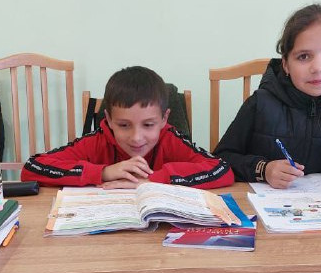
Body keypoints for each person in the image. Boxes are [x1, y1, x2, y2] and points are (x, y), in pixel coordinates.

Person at [213, 3, 321, 188]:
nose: (318, 68)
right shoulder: (260, 103)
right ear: (286, 64)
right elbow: (220, 159)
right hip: (269, 204)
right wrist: (263, 169)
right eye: (304, 56)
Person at [22, 66, 234, 190]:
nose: (136, 137)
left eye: (148, 125)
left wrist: (153, 180)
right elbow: (32, 168)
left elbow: (221, 170)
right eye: (124, 125)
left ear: (164, 119)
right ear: (109, 119)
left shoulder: (170, 139)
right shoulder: (97, 141)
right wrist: (103, 172)